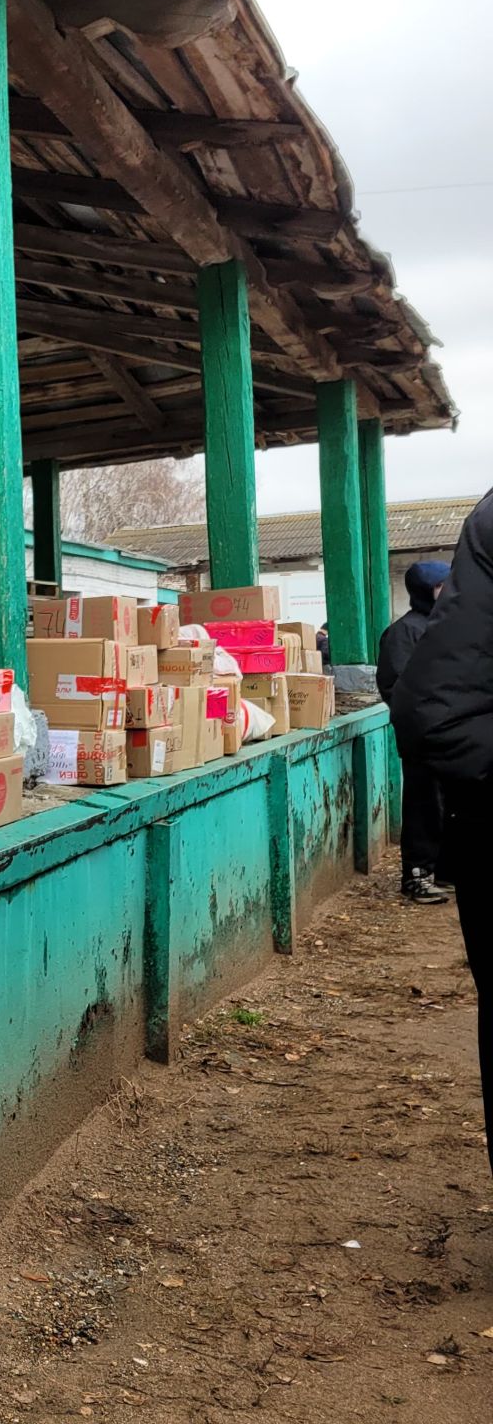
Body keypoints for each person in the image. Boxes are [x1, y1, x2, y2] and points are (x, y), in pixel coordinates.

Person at [390, 488, 493, 1177]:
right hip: (451, 762)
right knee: (420, 819)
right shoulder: (402, 633)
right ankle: (417, 873)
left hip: (463, 762)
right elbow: (422, 697)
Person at [378, 561, 453, 903]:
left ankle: (442, 869)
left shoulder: (448, 626)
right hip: (424, 733)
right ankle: (416, 874)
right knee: (423, 804)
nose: (447, 592)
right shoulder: (404, 632)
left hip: (454, 732)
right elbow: (398, 686)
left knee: (449, 804)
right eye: (440, 586)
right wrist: (428, 721)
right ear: (424, 591)